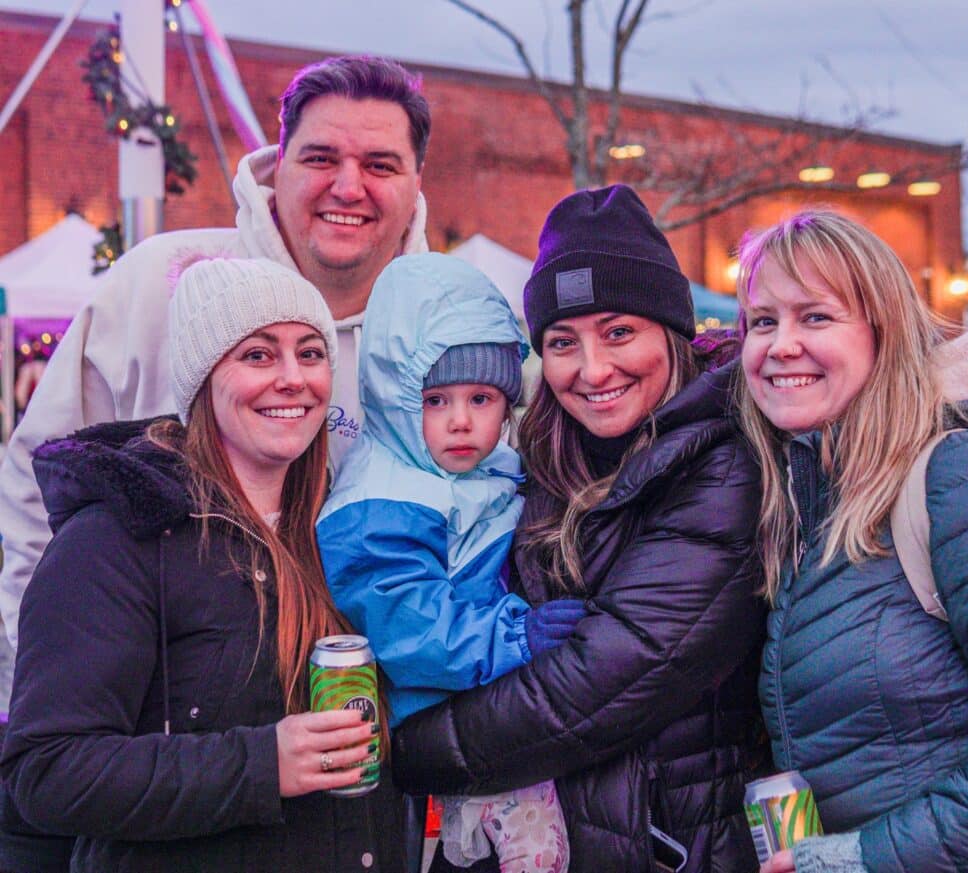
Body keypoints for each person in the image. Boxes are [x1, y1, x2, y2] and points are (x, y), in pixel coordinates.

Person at [0, 53, 430, 659]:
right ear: (278, 167)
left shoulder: (444, 332)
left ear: (416, 185)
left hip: (364, 711)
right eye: (320, 158)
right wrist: (40, 691)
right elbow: (39, 490)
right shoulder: (159, 283)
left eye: (380, 165)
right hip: (148, 720)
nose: (348, 186)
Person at [390, 186, 768, 872]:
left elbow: (595, 685)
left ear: (671, 332)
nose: (593, 370)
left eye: (619, 332)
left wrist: (402, 750)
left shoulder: (724, 466)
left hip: (668, 846)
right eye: (564, 342)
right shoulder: (528, 465)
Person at [0, 257, 405, 872]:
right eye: (258, 356)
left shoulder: (343, 527)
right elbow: (48, 771)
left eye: (311, 352)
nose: (293, 379)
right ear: (202, 380)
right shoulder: (115, 538)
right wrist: (261, 765)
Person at [734, 211, 968, 873]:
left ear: (883, 332)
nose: (780, 345)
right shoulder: (805, 495)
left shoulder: (958, 472)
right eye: (762, 321)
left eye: (815, 317)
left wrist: (862, 857)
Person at [317, 253, 583, 873]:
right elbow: (406, 623)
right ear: (396, 398)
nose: (462, 421)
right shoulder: (379, 500)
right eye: (435, 399)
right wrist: (517, 634)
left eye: (483, 397)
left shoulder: (484, 470)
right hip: (437, 715)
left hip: (483, 698)